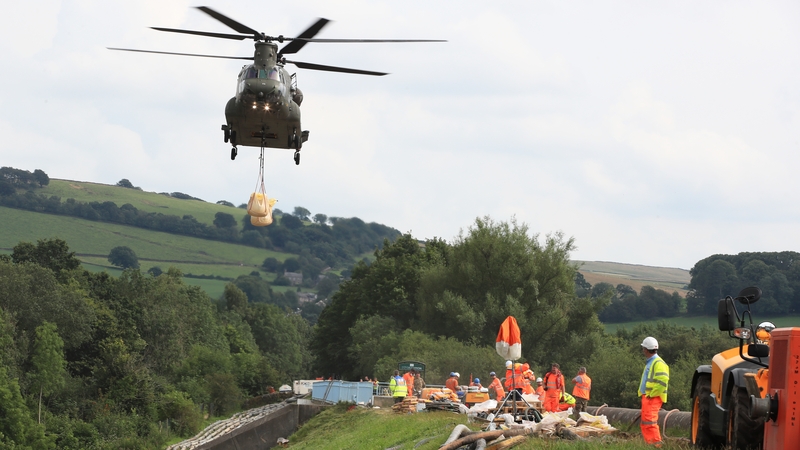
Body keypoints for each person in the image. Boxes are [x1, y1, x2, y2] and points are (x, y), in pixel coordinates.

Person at [639, 336, 669, 447]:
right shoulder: (652, 362)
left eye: (643, 348)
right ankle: (649, 443)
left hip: (652, 397)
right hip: (649, 397)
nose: (643, 350)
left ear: (646, 350)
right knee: (646, 421)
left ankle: (656, 444)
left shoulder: (658, 363)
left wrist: (652, 394)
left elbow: (663, 381)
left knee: (650, 421)